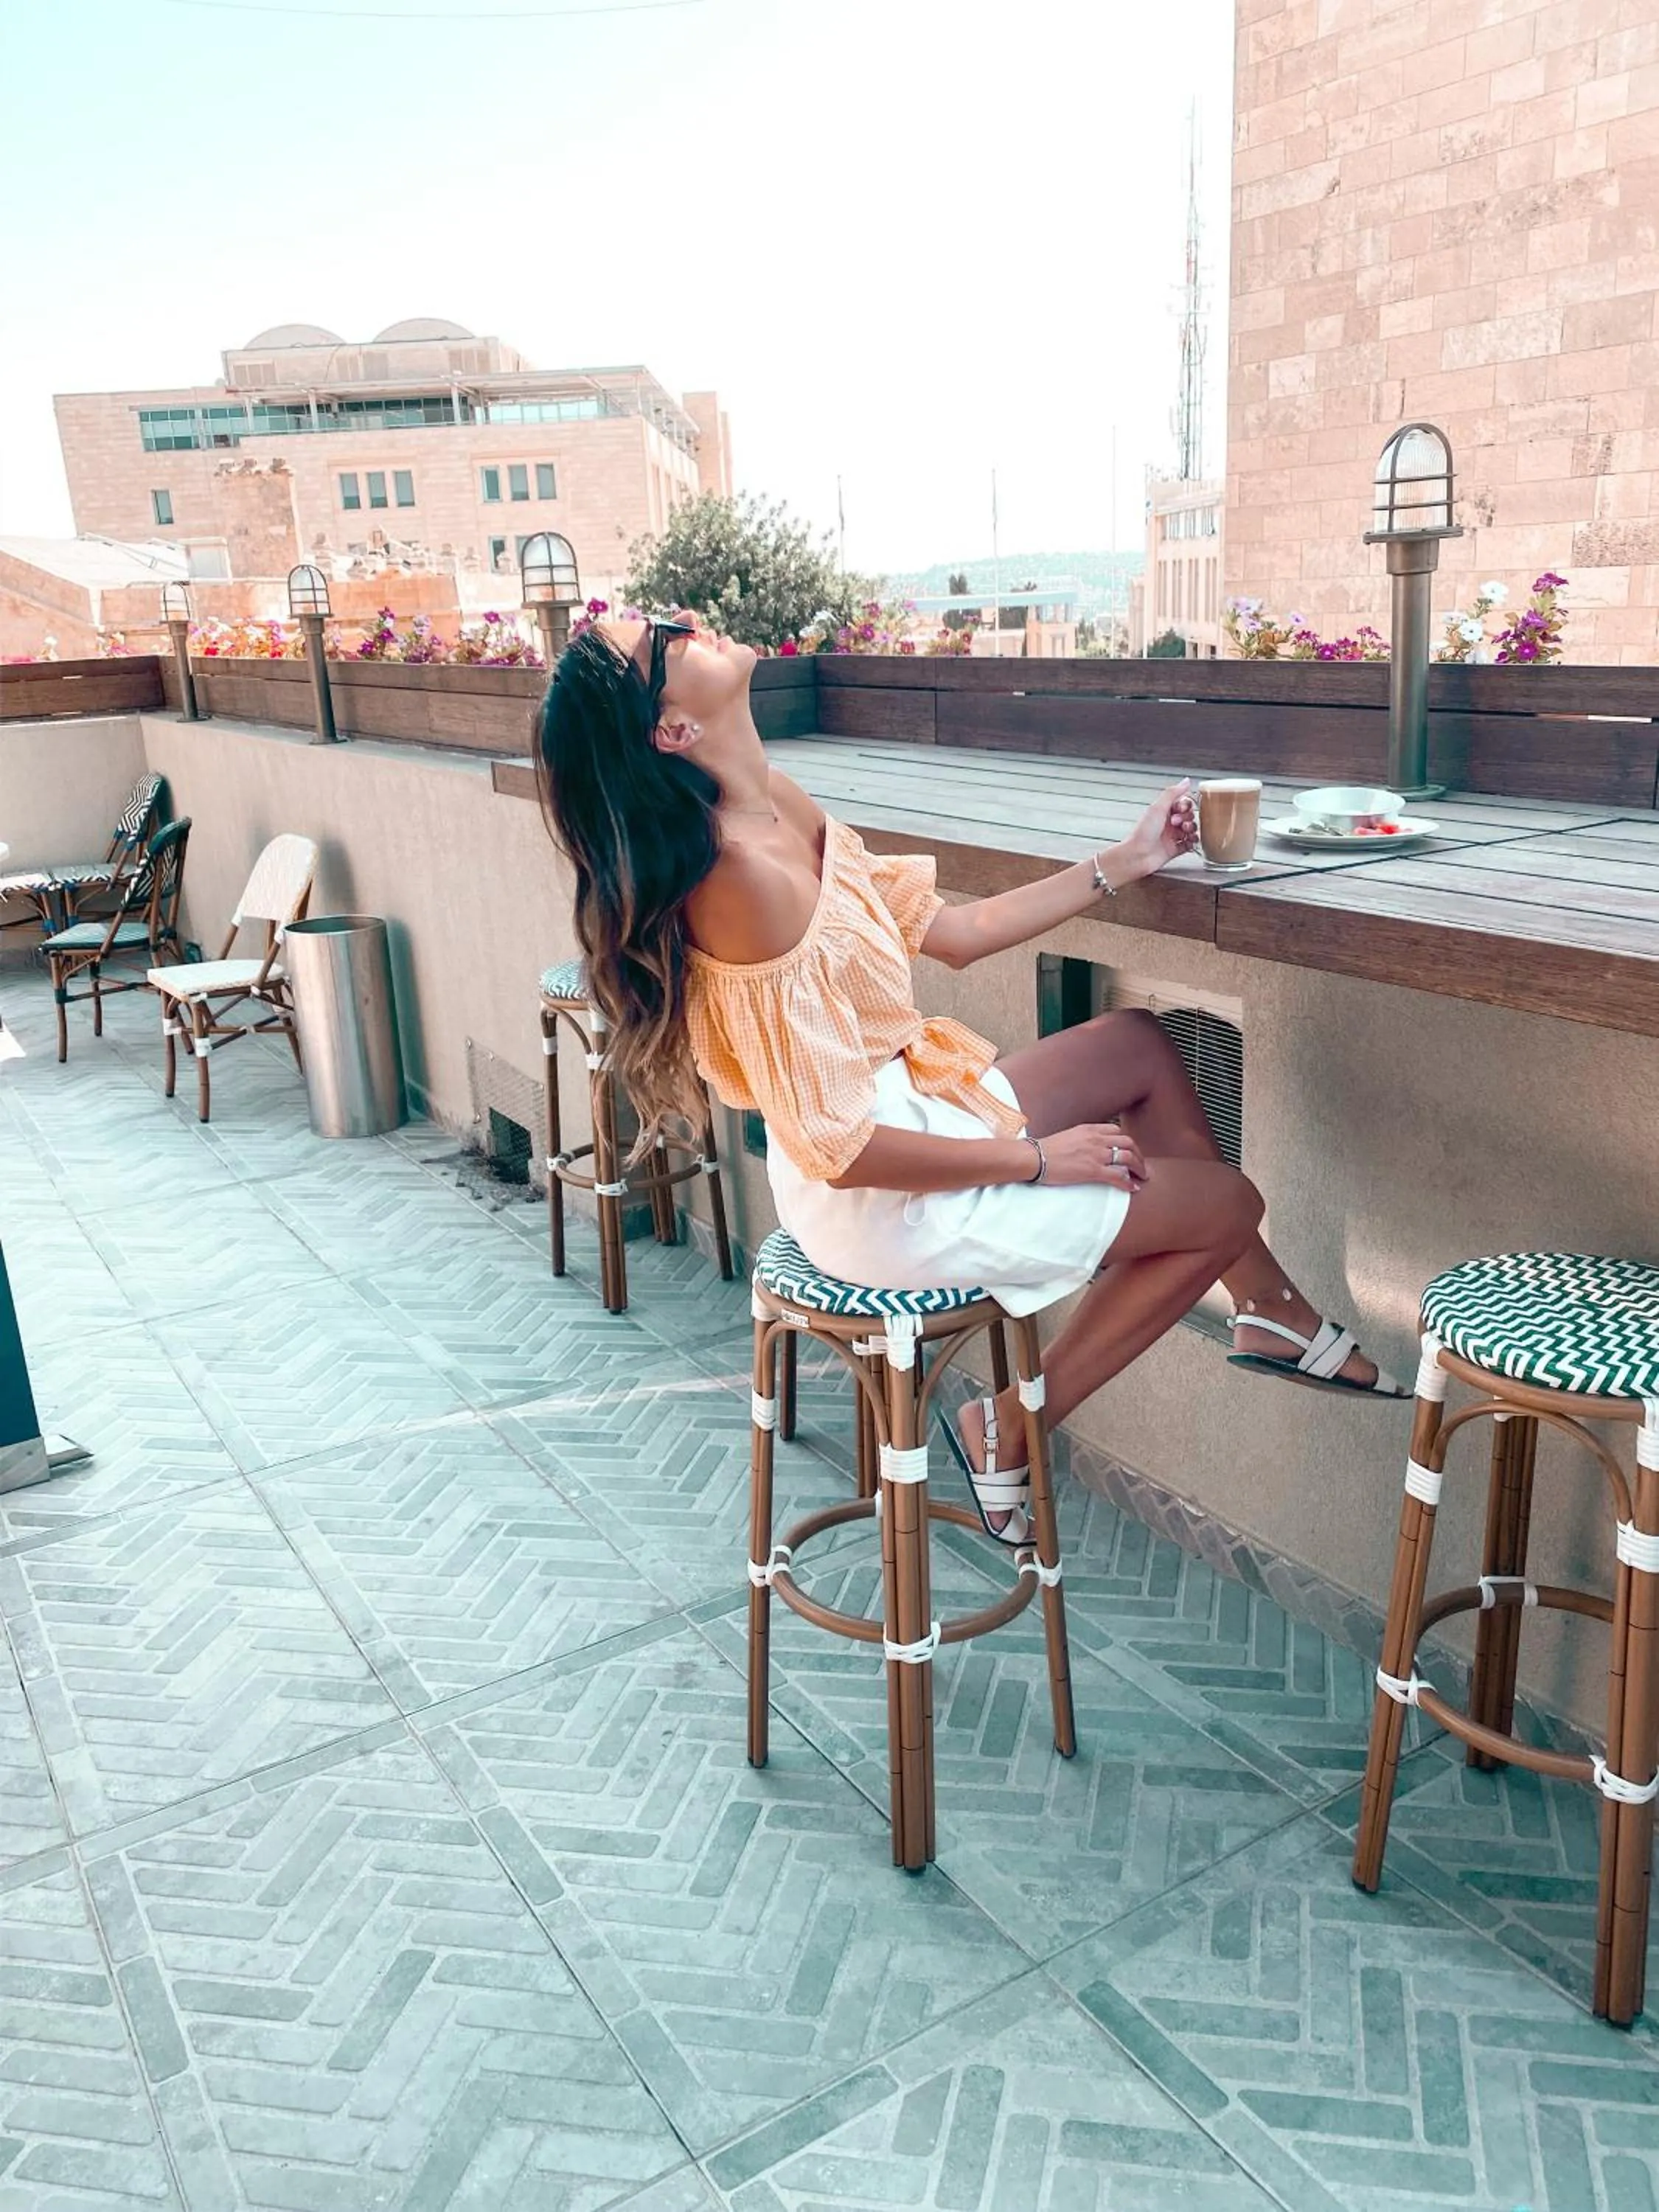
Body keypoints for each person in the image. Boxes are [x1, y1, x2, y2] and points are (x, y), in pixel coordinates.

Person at [538, 613, 1400, 1546]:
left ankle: (1266, 1309)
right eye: (665, 639)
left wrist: (1130, 859)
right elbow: (842, 1151)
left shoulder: (776, 801)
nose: (693, 623)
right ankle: (1014, 1424)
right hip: (881, 1200)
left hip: (908, 1113)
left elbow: (954, 932)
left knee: (1139, 1044)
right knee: (1228, 1203)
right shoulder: (737, 880)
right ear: (673, 729)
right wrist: (1038, 1161)